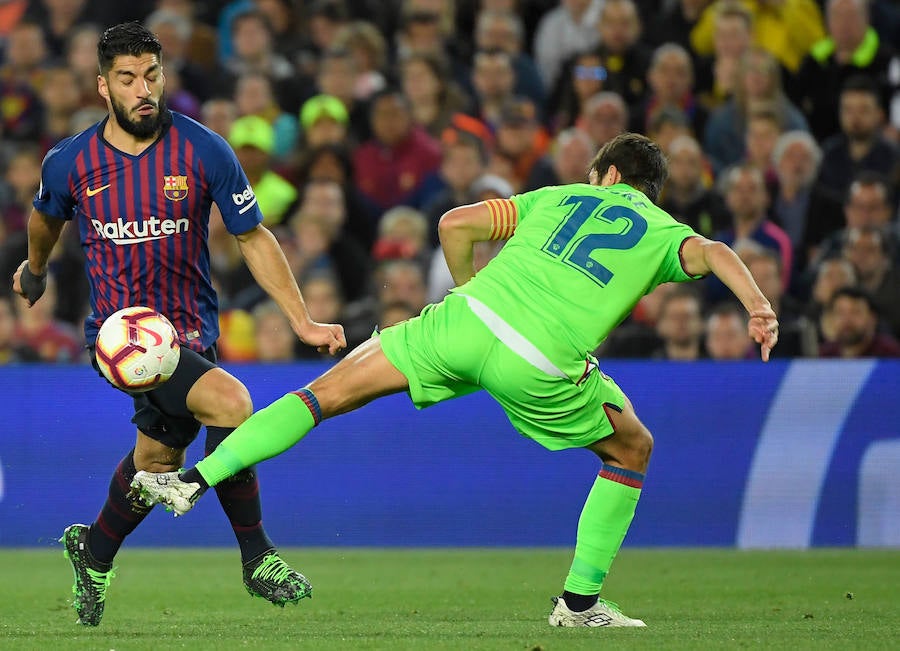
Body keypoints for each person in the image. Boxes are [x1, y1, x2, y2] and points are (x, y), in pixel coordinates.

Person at [132, 133, 778, 628]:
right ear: (645, 188)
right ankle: (579, 601)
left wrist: (472, 294)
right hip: (541, 360)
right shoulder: (663, 230)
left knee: (321, 396)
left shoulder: (558, 197)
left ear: (606, 176)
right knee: (631, 448)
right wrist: (756, 305)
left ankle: (191, 479)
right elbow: (717, 252)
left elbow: (454, 224)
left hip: (460, 324)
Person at [10, 23, 345, 628]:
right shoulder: (71, 161)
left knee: (158, 459)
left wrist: (302, 318)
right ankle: (257, 556)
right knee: (233, 404)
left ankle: (94, 551)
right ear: (102, 86)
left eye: (152, 76)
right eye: (128, 79)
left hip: (193, 332)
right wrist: (34, 270)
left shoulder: (203, 149)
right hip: (124, 339)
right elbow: (45, 218)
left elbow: (253, 236)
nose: (143, 90)